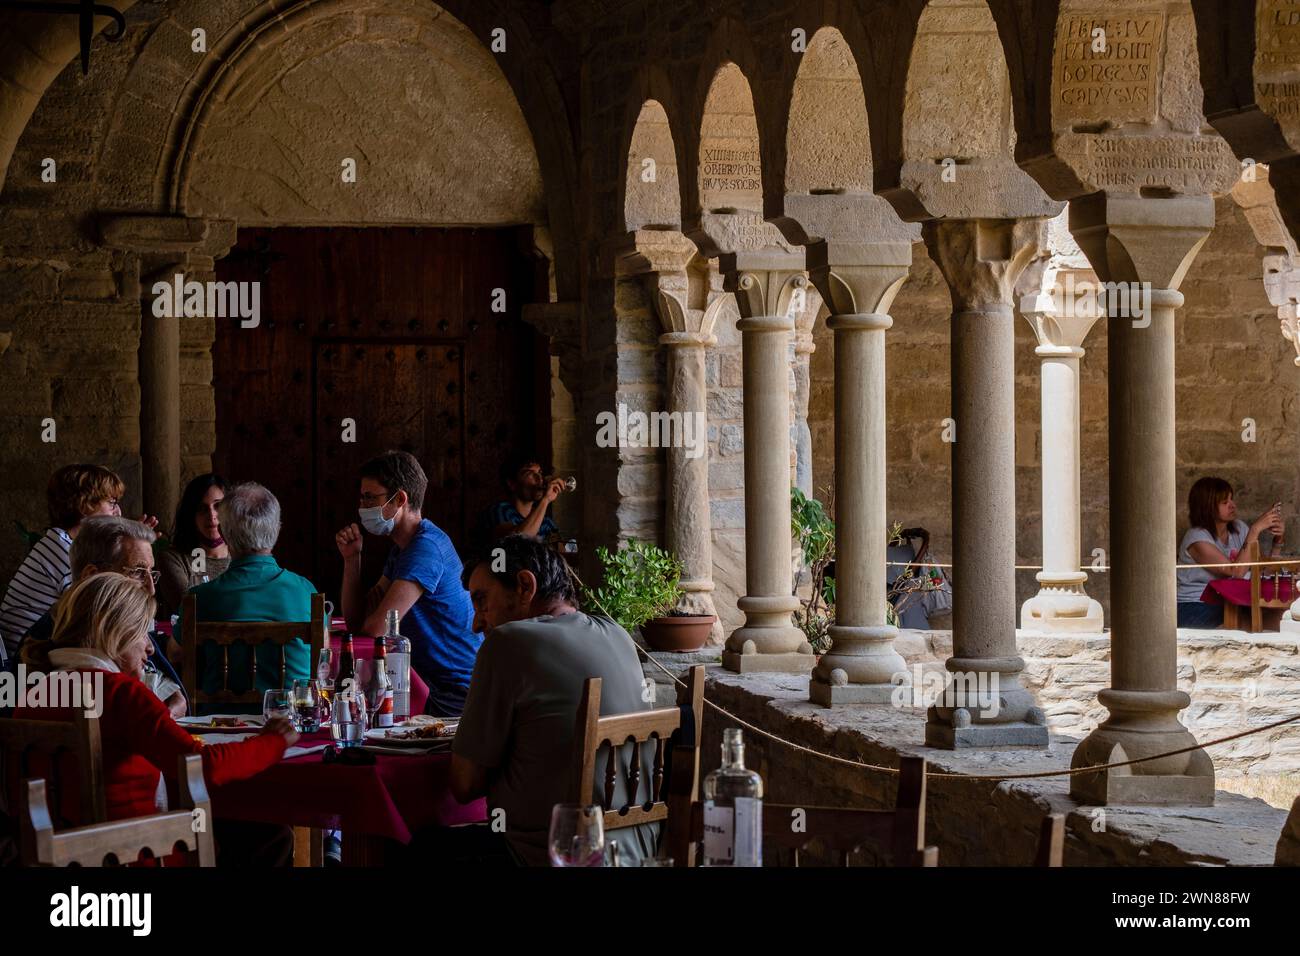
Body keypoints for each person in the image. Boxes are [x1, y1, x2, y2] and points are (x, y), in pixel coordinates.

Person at [16, 573, 298, 864]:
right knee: (271, 834)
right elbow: (204, 767)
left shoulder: (35, 692)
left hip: (63, 858)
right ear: (115, 632)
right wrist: (273, 741)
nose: (150, 648)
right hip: (136, 852)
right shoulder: (118, 692)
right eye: (142, 633)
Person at [448, 534, 658, 867]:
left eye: (482, 600)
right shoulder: (617, 632)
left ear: (524, 585)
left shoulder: (507, 642)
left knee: (415, 848)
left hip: (549, 854)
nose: (476, 623)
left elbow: (464, 784)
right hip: (635, 853)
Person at [335, 450, 481, 717]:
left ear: (399, 499)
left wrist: (369, 623)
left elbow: (376, 629)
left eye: (370, 497)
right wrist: (351, 560)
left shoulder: (426, 548)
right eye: (362, 497)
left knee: (359, 712)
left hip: (455, 692)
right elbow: (358, 622)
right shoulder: (402, 548)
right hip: (427, 682)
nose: (362, 505)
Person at [8, 516, 185, 717]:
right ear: (92, 575)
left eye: (151, 573)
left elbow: (163, 684)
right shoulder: (54, 635)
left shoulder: (121, 625)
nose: (151, 589)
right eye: (137, 572)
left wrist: (172, 697)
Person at [0, 464, 157, 661]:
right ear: (85, 506)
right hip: (29, 655)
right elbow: (90, 611)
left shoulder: (58, 540)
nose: (118, 512)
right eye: (112, 503)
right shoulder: (62, 550)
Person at [184, 483, 315, 710]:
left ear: (224, 533)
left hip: (218, 725)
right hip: (291, 721)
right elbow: (322, 655)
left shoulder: (199, 598)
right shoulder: (306, 591)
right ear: (277, 530)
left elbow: (177, 652)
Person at [1177, 476, 1285, 628]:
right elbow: (1236, 571)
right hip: (1195, 605)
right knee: (1251, 622)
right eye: (1224, 502)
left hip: (1231, 602)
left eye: (1231, 499)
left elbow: (1261, 571)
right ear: (1207, 506)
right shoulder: (1196, 538)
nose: (1232, 505)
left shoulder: (1239, 529)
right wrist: (1255, 530)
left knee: (1279, 615)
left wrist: (1278, 540)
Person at [156, 474, 231, 620]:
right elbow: (191, 610)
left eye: (218, 506)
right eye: (202, 508)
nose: (212, 515)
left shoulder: (242, 557)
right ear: (191, 515)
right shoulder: (174, 559)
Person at [478, 454, 565, 547]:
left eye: (540, 472)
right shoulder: (499, 510)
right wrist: (546, 499)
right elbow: (519, 541)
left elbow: (563, 550)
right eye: (529, 473)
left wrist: (575, 545)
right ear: (512, 483)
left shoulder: (546, 522)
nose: (539, 478)